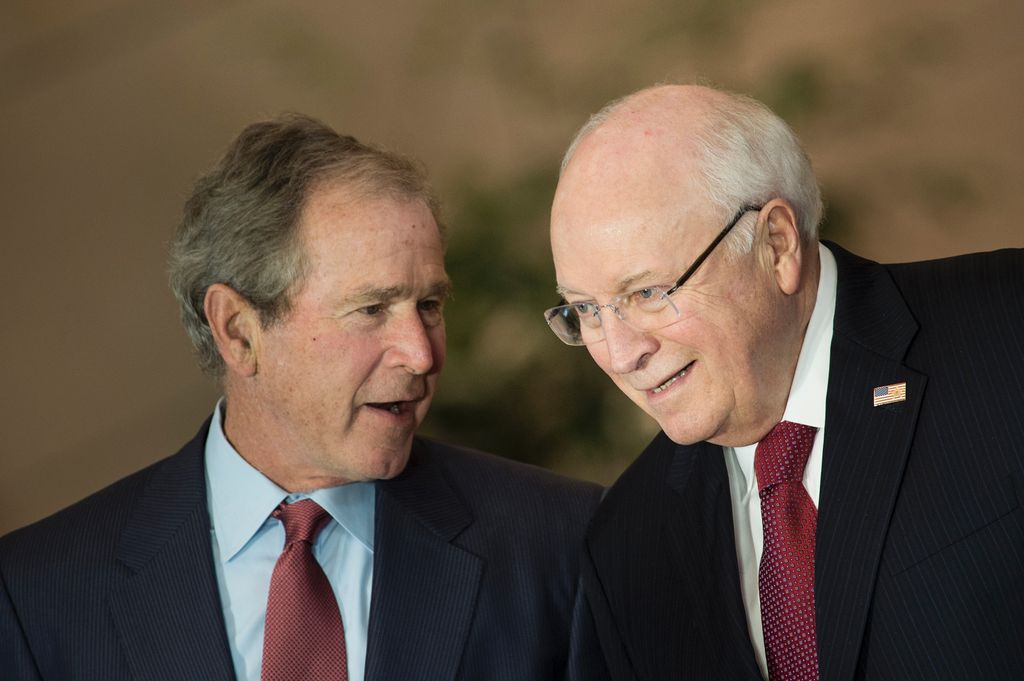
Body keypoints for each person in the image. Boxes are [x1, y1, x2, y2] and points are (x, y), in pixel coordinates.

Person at [0, 114, 605, 680]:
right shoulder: (39, 593)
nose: (421, 354)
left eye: (428, 306)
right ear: (239, 330)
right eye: (371, 309)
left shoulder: (562, 545)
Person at [545, 84, 1024, 680]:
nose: (619, 353)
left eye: (647, 293)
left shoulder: (1006, 332)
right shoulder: (629, 542)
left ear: (776, 244)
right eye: (586, 310)